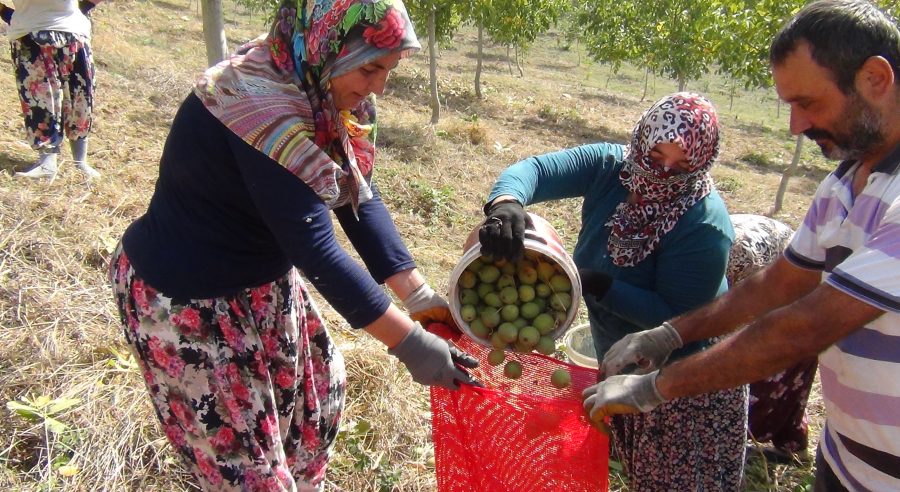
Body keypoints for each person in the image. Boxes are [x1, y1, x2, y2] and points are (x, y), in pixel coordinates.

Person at [109, 0, 477, 489]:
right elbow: (316, 247)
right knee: (250, 472)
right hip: (186, 298)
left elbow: (356, 197)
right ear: (326, 44)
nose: (378, 87)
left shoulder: (325, 91)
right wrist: (410, 343)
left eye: (388, 70)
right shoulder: (256, 100)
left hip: (258, 282)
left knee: (315, 405)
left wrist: (417, 294)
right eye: (370, 68)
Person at [583, 1, 900, 490]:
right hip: (847, 460)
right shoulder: (843, 185)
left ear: (876, 79)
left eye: (808, 103)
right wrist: (670, 334)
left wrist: (656, 388)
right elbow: (778, 284)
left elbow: (804, 326)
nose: (795, 126)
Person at [479, 92, 747, 490]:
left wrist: (599, 285)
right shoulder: (611, 168)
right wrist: (506, 203)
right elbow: (534, 170)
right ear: (641, 139)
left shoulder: (702, 226)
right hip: (619, 354)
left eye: (683, 165)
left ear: (703, 163)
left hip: (683, 380)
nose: (664, 172)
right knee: (638, 467)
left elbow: (680, 320)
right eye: (656, 156)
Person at [728, 214, 818, 463]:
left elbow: (716, 329)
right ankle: (791, 446)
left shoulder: (712, 259)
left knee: (770, 373)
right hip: (773, 268)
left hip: (800, 283)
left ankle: (733, 445)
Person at [2, 0, 102, 181]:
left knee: (80, 98)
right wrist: (8, 15)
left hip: (73, 32)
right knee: (41, 99)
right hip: (30, 33)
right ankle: (48, 164)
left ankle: (80, 163)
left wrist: (84, 7)